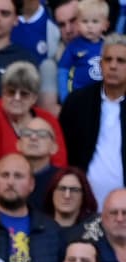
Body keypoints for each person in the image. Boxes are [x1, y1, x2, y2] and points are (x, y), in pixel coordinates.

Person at [59, 33, 126, 209]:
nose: (113, 66)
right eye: (108, 59)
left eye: (121, 61)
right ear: (100, 63)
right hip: (82, 205)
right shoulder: (77, 102)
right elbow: (63, 150)